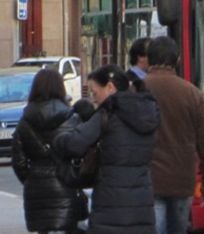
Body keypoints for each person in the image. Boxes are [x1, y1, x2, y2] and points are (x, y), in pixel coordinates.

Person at [53, 65, 159, 233]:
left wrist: (58, 140)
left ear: (110, 87)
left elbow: (75, 144)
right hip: (142, 204)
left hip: (111, 206)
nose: (94, 100)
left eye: (95, 93)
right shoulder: (146, 113)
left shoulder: (107, 114)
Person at [142, 36, 204, 234]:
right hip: (182, 179)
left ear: (149, 60)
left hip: (148, 179)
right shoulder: (192, 94)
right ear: (176, 60)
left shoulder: (137, 91)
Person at [12, 68, 88, 234]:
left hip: (37, 188)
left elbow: (18, 160)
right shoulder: (72, 118)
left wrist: (32, 177)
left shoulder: (25, 121)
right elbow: (82, 151)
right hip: (66, 184)